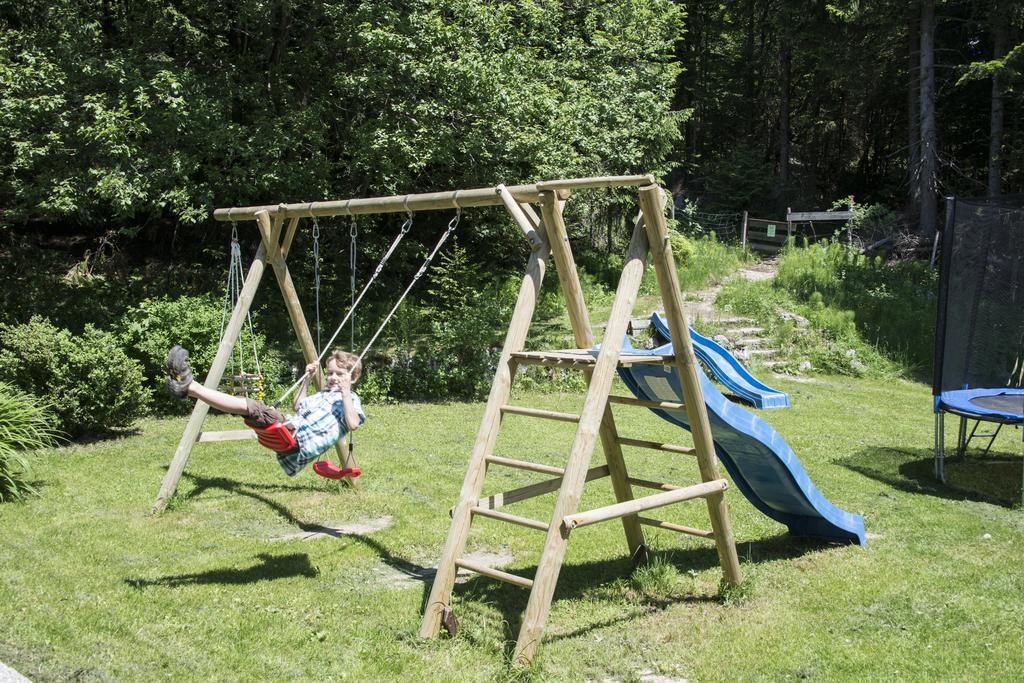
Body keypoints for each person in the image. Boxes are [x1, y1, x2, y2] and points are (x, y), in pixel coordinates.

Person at [165, 345, 365, 477]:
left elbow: (353, 423)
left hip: (298, 442)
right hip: (289, 429)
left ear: (353, 377)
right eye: (330, 372)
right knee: (248, 409)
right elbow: (298, 406)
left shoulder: (350, 399)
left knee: (250, 406)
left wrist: (346, 392)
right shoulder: (323, 395)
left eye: (340, 374)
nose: (333, 377)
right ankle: (189, 388)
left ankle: (190, 387)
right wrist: (306, 379)